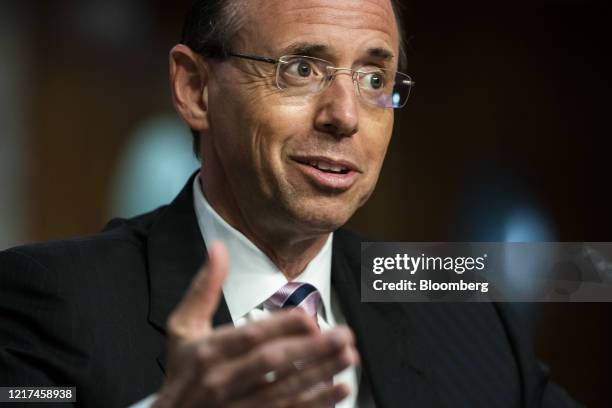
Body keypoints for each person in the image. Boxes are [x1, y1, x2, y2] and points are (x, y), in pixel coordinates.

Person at [0, 0, 583, 407]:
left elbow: (578, 274)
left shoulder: (454, 301)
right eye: (302, 68)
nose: (345, 115)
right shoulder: (45, 297)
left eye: (374, 80)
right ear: (195, 89)